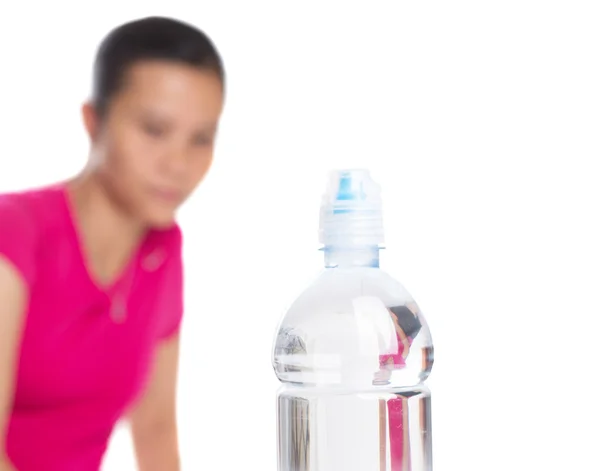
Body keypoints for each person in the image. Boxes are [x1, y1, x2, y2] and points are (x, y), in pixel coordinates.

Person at [0, 16, 224, 471]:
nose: (178, 164)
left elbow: (157, 434)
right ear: (94, 119)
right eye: (155, 130)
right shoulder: (14, 234)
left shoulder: (162, 251)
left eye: (201, 138)